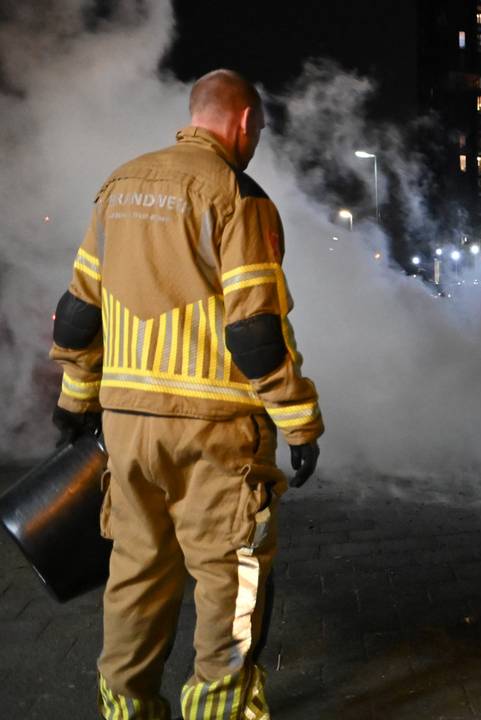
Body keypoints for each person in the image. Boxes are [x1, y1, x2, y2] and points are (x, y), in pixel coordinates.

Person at [49, 68, 324, 719]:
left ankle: (126, 709)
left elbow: (78, 315)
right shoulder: (237, 195)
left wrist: (75, 401)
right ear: (244, 123)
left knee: (136, 576)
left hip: (127, 429)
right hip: (215, 435)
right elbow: (255, 335)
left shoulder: (117, 187)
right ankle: (220, 710)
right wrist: (301, 423)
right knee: (231, 581)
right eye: (257, 131)